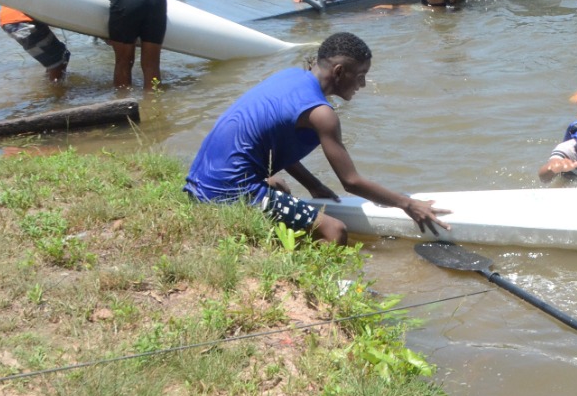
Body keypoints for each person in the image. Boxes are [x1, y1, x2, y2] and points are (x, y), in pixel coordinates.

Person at [184, 32, 449, 243]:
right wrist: (408, 204)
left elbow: (274, 141)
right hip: (225, 192)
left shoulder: (292, 76)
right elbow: (352, 182)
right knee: (335, 231)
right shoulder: (322, 114)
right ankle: (309, 282)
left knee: (279, 187)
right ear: (338, 72)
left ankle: (275, 238)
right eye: (360, 76)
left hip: (200, 180)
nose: (363, 85)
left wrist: (314, 186)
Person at [0, 5, 69, 82]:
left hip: (14, 18)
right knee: (57, 61)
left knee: (60, 56)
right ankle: (56, 91)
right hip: (21, 21)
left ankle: (50, 86)